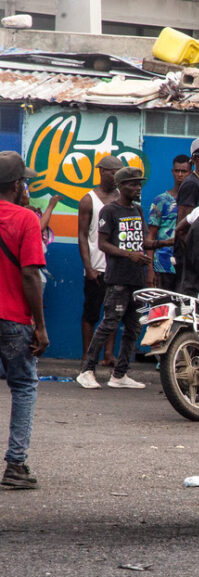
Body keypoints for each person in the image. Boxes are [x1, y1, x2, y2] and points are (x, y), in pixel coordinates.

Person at [76, 167, 169, 390]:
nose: (138, 188)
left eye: (139, 184)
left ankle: (120, 375)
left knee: (133, 328)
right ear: (121, 186)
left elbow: (143, 242)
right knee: (109, 323)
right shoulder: (110, 211)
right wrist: (129, 255)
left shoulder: (137, 210)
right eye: (133, 184)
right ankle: (86, 370)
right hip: (118, 277)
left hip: (136, 279)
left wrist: (166, 243)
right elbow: (102, 243)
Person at [0, 152, 48, 489]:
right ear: (17, 185)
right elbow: (30, 275)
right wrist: (41, 327)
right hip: (14, 318)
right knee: (23, 387)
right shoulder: (26, 219)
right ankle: (15, 466)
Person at [77, 155, 122, 365]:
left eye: (119, 172)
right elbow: (82, 235)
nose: (116, 176)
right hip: (96, 266)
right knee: (91, 313)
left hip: (116, 267)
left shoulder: (122, 198)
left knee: (112, 314)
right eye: (113, 172)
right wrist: (88, 267)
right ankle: (87, 355)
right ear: (101, 171)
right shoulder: (89, 199)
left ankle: (108, 355)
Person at [146, 154, 189, 290]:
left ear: (191, 172)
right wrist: (150, 269)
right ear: (172, 172)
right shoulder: (161, 200)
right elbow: (151, 235)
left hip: (187, 266)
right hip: (163, 265)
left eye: (184, 171)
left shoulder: (195, 202)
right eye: (177, 171)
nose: (180, 175)